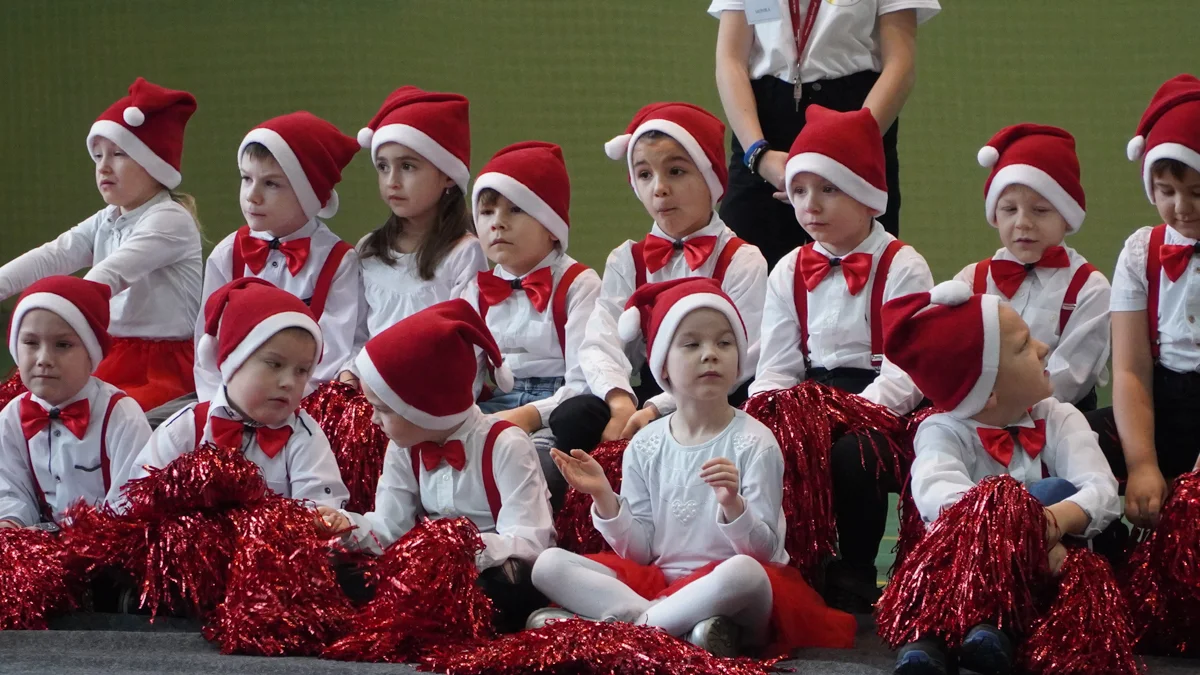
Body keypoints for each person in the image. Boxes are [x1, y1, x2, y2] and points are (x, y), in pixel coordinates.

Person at [529, 278, 855, 657]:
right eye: (692, 344)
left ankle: (618, 627)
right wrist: (604, 497)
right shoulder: (646, 444)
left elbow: (764, 554)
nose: (710, 354)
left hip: (729, 585)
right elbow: (639, 554)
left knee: (743, 574)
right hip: (660, 582)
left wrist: (734, 507)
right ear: (662, 366)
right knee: (547, 564)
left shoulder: (756, 441)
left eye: (724, 342)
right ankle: (681, 629)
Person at [881, 281, 1119, 674]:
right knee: (948, 545)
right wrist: (1013, 525)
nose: (1043, 347)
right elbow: (937, 497)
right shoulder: (941, 431)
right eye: (1024, 346)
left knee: (1054, 490)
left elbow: (1103, 490)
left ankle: (993, 631)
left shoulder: (1060, 418)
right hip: (966, 570)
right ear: (986, 391)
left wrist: (1051, 522)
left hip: (1047, 569)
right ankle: (933, 644)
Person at [0, 77, 202, 411]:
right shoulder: (107, 218)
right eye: (97, 155)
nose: (103, 166)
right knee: (24, 406)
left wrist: (56, 316)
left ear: (155, 164)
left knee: (103, 415)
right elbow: (54, 255)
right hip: (112, 351)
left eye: (119, 154)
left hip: (161, 365)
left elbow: (110, 274)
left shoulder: (170, 219)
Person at [711, 0, 940, 267]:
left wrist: (854, 148)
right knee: (743, 266)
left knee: (861, 273)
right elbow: (730, 60)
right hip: (763, 132)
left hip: (855, 127)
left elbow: (900, 64)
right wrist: (758, 155)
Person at [955, 123, 1110, 412]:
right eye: (1009, 210)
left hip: (1058, 421)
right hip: (977, 416)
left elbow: (1070, 377)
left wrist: (1005, 411)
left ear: (1067, 216)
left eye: (1040, 210)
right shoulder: (970, 280)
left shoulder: (1091, 288)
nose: (1023, 222)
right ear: (994, 216)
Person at [0, 276, 151, 527]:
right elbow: (9, 489)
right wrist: (11, 525)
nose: (44, 358)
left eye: (63, 345)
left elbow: (133, 500)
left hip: (108, 552)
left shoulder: (121, 417)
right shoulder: (11, 417)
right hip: (37, 549)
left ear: (91, 354)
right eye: (30, 343)